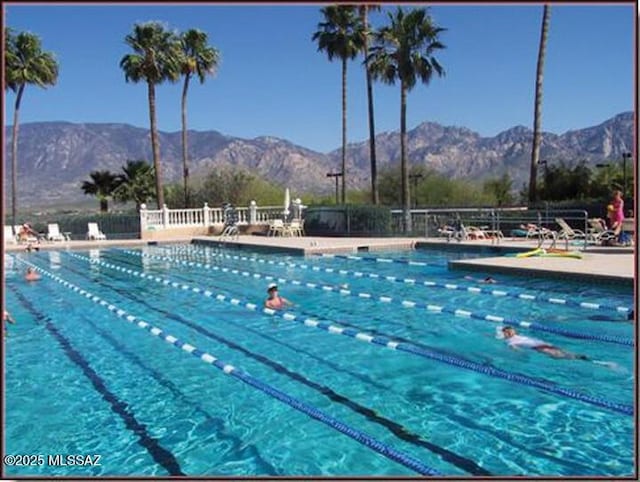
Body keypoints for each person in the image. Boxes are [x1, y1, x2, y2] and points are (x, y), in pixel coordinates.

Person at [498, 326, 589, 360]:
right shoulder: (509, 341)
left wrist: (521, 354)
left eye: (511, 330)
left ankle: (578, 357)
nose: (510, 332)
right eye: (508, 331)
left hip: (542, 345)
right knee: (558, 354)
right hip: (539, 347)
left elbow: (515, 348)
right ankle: (578, 358)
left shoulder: (517, 337)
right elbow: (514, 348)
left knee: (559, 353)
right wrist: (522, 354)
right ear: (505, 334)